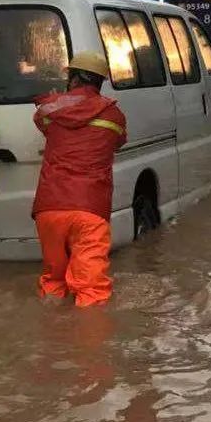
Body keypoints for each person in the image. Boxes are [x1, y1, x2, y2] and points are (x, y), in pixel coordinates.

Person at [31, 51, 127, 307]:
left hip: (49, 208)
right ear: (100, 82)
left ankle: (49, 339)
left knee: (53, 281)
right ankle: (87, 343)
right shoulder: (114, 116)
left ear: (72, 79)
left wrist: (61, 100)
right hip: (89, 208)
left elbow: (41, 119)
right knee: (91, 289)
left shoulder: (51, 110)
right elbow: (118, 143)